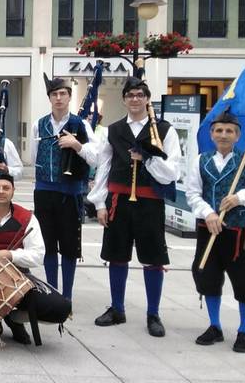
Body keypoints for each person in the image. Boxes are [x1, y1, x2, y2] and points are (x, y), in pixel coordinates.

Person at [88, 76, 182, 337]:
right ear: (124, 99)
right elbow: (103, 166)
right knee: (117, 255)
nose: (135, 99)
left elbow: (172, 172)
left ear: (147, 99)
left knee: (152, 257)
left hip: (150, 201)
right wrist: (99, 203)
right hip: (118, 200)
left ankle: (153, 313)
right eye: (130, 95)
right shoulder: (114, 130)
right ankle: (117, 308)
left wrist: (148, 158)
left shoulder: (164, 130)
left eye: (140, 95)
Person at [185, 109, 245, 353]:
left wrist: (241, 196)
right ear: (212, 134)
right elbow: (192, 194)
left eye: (229, 131)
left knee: (244, 280)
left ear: (237, 136)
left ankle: (244, 330)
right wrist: (209, 213)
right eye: (219, 130)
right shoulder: (201, 160)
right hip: (209, 229)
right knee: (208, 276)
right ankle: (215, 325)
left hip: (239, 231)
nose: (223, 135)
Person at [0, 169, 72, 348]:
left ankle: (13, 318)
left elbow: (38, 254)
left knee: (61, 308)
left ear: (13, 191)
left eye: (6, 187)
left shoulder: (27, 217)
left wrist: (10, 255)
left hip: (20, 283)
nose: (1, 191)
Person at [29, 74, 99, 301]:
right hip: (44, 191)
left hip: (70, 193)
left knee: (69, 247)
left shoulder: (82, 124)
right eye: (54, 94)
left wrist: (77, 145)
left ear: (69, 97)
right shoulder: (38, 125)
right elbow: (33, 156)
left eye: (62, 94)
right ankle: (52, 292)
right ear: (49, 97)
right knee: (48, 245)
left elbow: (95, 158)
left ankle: (66, 296)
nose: (58, 98)